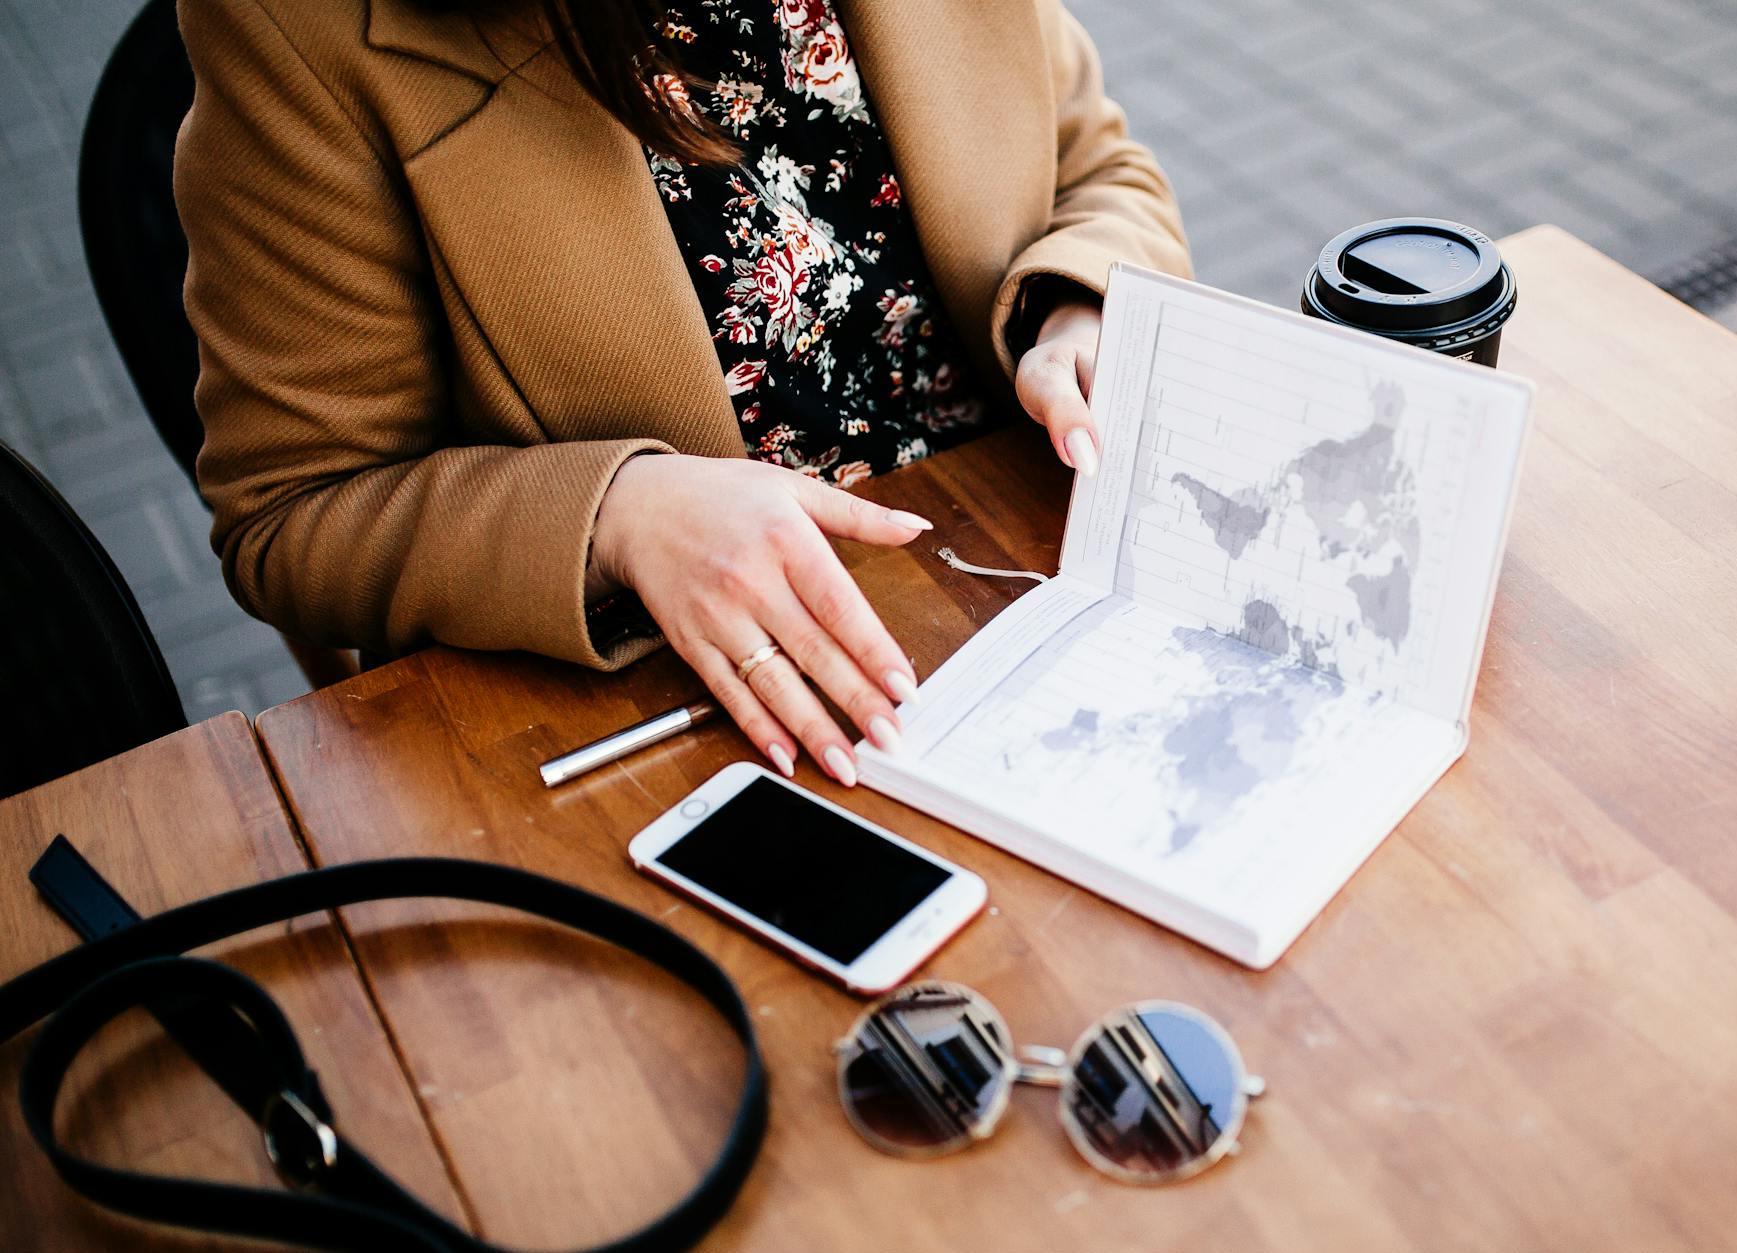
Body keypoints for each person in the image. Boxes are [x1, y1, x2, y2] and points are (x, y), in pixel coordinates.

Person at [175, 0, 1188, 785]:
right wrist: (615, 512)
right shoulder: (292, 26)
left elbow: (1094, 162)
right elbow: (291, 511)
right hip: (685, 706)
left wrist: (1078, 306)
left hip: (1036, 566)